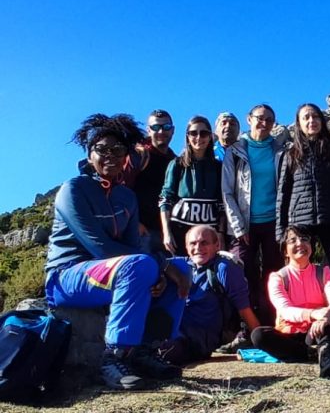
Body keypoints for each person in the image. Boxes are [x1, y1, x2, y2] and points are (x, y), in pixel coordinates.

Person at [45, 114, 190, 390]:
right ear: (90, 156)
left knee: (181, 269)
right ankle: (113, 356)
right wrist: (155, 266)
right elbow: (99, 247)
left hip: (111, 274)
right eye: (102, 149)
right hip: (67, 277)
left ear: (126, 156)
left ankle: (144, 351)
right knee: (143, 266)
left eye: (118, 150)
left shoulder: (126, 197)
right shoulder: (73, 189)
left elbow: (135, 246)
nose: (110, 156)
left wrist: (160, 269)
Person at [275, 103, 330, 345]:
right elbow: (282, 195)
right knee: (298, 276)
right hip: (299, 224)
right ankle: (297, 326)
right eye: (306, 117)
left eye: (315, 116)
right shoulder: (290, 154)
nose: (311, 120)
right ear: (299, 123)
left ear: (322, 121)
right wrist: (281, 230)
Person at [250, 226, 330, 378]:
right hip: (288, 335)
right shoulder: (278, 277)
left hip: (317, 330)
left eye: (305, 239)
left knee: (326, 327)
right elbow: (285, 310)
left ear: (311, 247)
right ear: (285, 251)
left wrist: (328, 316)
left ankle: (329, 362)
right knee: (258, 335)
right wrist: (313, 314)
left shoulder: (324, 272)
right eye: (293, 240)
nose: (300, 243)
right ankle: (308, 353)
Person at [159, 225, 260, 365]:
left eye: (204, 243)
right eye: (193, 243)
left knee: (163, 351)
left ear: (217, 245)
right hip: (171, 328)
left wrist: (261, 341)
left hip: (198, 339)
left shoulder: (224, 268)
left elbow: (244, 309)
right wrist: (162, 278)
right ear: (187, 247)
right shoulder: (180, 265)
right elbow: (156, 261)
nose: (198, 248)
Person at [222, 104, 285, 325]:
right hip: (244, 224)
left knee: (273, 275)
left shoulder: (280, 150)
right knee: (242, 274)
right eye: (260, 118)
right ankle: (245, 326)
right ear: (249, 119)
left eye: (270, 119)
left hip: (273, 223)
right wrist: (239, 227)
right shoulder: (235, 151)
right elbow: (227, 192)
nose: (264, 123)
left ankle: (271, 323)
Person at [160, 116, 225, 257]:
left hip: (208, 233)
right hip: (179, 231)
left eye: (204, 133)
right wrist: (167, 233)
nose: (199, 137)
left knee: (207, 273)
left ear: (210, 137)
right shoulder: (177, 164)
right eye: (194, 133)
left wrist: (220, 234)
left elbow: (222, 203)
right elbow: (166, 199)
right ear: (187, 136)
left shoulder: (218, 167)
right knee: (182, 273)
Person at [131, 109, 176, 255]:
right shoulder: (139, 155)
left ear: (173, 130)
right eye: (156, 127)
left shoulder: (175, 161)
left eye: (166, 127)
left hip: (168, 232)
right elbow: (121, 189)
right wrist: (134, 222)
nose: (161, 131)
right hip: (142, 232)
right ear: (148, 130)